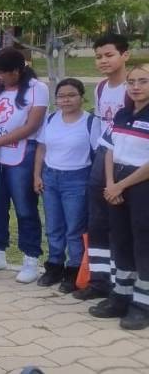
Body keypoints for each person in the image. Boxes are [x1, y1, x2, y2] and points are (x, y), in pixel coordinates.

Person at [0, 47, 49, 284]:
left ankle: (31, 258)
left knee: (24, 208)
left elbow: (32, 125)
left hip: (23, 154)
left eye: (2, 72)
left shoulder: (37, 89)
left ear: (17, 71)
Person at [91, 64, 149, 330]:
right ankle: (122, 295)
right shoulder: (123, 114)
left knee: (143, 244)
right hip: (117, 183)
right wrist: (111, 183)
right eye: (132, 82)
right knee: (121, 241)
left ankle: (142, 303)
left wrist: (121, 185)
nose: (136, 86)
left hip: (141, 185)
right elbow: (110, 150)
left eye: (143, 81)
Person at [34, 78, 101, 291]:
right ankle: (54, 266)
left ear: (81, 97)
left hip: (77, 180)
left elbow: (98, 154)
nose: (66, 100)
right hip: (50, 177)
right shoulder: (51, 119)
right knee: (53, 227)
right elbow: (42, 149)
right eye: (61, 96)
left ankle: (74, 271)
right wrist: (37, 175)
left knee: (74, 228)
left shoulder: (91, 122)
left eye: (71, 95)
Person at [80, 34, 131, 301]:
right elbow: (101, 123)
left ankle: (121, 283)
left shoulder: (134, 87)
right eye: (98, 56)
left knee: (119, 222)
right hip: (103, 155)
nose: (103, 61)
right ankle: (98, 281)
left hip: (126, 160)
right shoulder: (101, 87)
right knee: (97, 220)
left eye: (109, 55)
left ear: (125, 55)